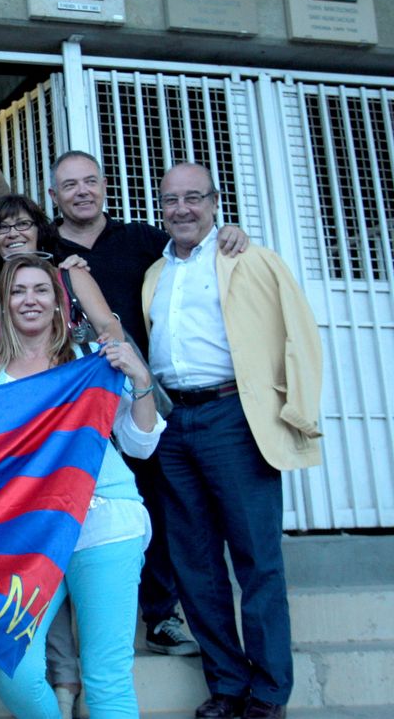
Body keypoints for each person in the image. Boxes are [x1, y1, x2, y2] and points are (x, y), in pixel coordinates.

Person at [49, 149, 253, 661]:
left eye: (90, 181)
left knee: (159, 503)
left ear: (103, 187)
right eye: (69, 185)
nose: (81, 191)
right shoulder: (45, 248)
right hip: (74, 404)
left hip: (144, 396)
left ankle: (162, 615)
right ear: (53, 197)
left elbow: (195, 253)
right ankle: (83, 619)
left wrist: (231, 233)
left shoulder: (143, 240)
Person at [144, 163, 322, 719]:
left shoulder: (248, 258)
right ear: (160, 207)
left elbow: (299, 331)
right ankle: (227, 685)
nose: (182, 210)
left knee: (257, 561)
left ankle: (269, 693)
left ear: (215, 202)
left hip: (234, 419)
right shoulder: (155, 272)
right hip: (175, 424)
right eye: (171, 200)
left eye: (193, 198)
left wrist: (298, 411)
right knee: (194, 564)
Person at [0, 253, 163, 719]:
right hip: (32, 535)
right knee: (11, 670)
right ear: (4, 304)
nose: (29, 300)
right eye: (18, 291)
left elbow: (140, 446)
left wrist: (140, 380)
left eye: (41, 289)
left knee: (106, 679)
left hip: (104, 521)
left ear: (59, 302)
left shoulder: (91, 363)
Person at [0, 194, 123, 343]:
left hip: (75, 364)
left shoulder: (71, 274)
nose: (13, 233)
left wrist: (109, 349)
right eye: (2, 227)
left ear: (39, 231)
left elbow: (108, 325)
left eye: (22, 224)